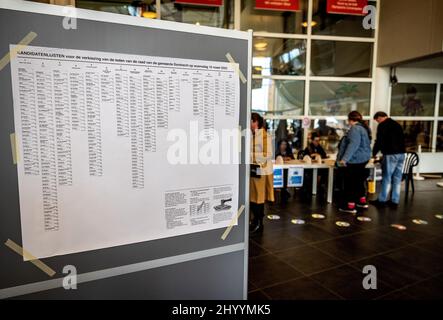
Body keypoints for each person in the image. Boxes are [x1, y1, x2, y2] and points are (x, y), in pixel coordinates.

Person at [336, 111, 372, 214]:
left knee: (350, 183)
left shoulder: (355, 129)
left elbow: (353, 145)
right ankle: (361, 201)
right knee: (359, 181)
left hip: (355, 160)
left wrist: (344, 159)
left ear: (350, 120)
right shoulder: (364, 128)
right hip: (363, 159)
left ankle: (349, 205)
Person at [370, 112, 406, 209]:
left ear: (380, 117)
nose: (377, 122)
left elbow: (379, 141)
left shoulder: (382, 125)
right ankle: (395, 201)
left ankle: (382, 200)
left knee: (387, 177)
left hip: (390, 154)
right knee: (397, 178)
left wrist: (373, 153)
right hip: (401, 154)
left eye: (377, 120)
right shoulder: (397, 124)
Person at [250, 113, 274, 234]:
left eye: (251, 121)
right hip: (253, 171)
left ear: (257, 122)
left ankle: (259, 222)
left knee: (258, 199)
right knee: (252, 198)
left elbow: (267, 154)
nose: (250, 124)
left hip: (260, 172)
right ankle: (255, 221)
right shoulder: (252, 135)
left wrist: (249, 156)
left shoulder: (265, 136)